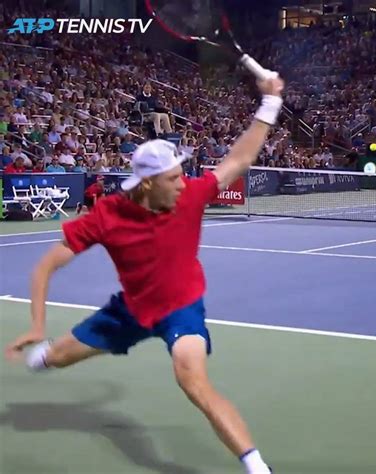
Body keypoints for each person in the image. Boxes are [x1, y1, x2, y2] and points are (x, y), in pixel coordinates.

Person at [5, 75, 284, 474]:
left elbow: (239, 159)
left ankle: (256, 467)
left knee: (193, 381)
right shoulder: (107, 216)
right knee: (56, 359)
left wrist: (270, 104)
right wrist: (37, 323)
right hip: (131, 311)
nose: (182, 182)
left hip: (181, 307)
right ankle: (48, 354)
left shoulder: (189, 195)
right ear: (148, 183)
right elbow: (46, 264)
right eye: (173, 177)